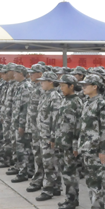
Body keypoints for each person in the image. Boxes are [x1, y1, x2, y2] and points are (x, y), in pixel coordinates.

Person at [77, 74, 105, 209]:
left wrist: (103, 150)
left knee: (98, 182)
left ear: (95, 86)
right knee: (91, 181)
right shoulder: (88, 102)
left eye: (86, 85)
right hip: (87, 149)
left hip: (96, 149)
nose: (83, 87)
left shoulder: (101, 104)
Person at [54, 74, 83, 209]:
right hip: (62, 142)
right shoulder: (64, 100)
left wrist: (76, 145)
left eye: (63, 86)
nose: (61, 88)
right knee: (65, 172)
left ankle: (72, 199)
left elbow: (79, 126)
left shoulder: (76, 102)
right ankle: (69, 198)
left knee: (70, 173)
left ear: (71, 86)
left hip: (71, 145)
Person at [34, 71, 62, 201]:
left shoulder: (55, 97)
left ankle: (48, 189)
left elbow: (56, 120)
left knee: (48, 163)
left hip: (49, 136)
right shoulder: (46, 95)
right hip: (43, 134)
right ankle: (56, 186)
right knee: (51, 162)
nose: (41, 83)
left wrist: (53, 137)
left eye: (43, 81)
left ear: (51, 82)